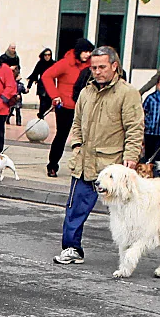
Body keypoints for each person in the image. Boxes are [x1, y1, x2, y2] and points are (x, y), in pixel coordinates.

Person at [54, 46, 142, 265]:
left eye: (102, 67)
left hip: (112, 167)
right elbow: (76, 123)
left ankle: (130, 252)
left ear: (114, 66)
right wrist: (76, 145)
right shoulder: (86, 92)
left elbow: (134, 127)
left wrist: (131, 156)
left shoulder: (127, 93)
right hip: (84, 163)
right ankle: (72, 248)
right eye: (94, 67)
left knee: (125, 213)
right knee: (75, 209)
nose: (97, 71)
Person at [41, 38, 94, 177]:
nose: (88, 55)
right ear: (78, 52)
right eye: (85, 52)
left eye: (90, 52)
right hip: (65, 106)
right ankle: (52, 165)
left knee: (85, 138)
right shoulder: (65, 63)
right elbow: (46, 76)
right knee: (61, 136)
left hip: (84, 107)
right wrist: (55, 95)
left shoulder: (91, 66)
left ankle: (82, 167)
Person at [28, 48, 55, 117]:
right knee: (42, 102)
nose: (47, 56)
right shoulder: (40, 63)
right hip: (42, 85)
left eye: (49, 55)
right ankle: (41, 116)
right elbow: (34, 74)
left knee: (49, 103)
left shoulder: (53, 63)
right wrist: (29, 86)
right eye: (45, 55)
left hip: (51, 85)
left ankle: (40, 114)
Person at [2, 45, 23, 124]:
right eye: (12, 48)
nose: (13, 50)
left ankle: (18, 120)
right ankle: (7, 116)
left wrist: (17, 73)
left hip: (14, 78)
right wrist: (9, 68)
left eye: (14, 48)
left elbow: (18, 67)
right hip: (6, 78)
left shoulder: (16, 57)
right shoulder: (3, 57)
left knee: (16, 102)